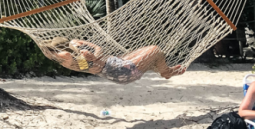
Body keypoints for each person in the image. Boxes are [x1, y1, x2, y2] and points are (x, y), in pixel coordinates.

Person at [45, 37, 186, 82]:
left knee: (155, 51)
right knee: (154, 50)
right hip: (122, 72)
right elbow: (89, 66)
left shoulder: (78, 55)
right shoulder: (70, 59)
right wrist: (80, 51)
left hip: (118, 63)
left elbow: (99, 50)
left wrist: (85, 44)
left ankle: (165, 71)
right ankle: (166, 72)